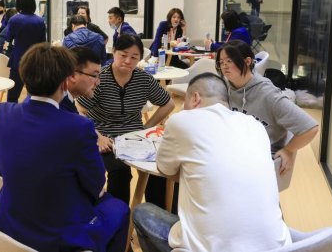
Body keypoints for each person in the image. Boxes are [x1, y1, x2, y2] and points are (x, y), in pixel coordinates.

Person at [0, 44, 129, 252]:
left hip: (6, 223)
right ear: (65, 82)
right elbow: (96, 183)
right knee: (120, 209)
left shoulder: (4, 113)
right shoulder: (79, 127)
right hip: (56, 236)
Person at [133, 73, 291, 252]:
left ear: (195, 98)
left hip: (209, 248)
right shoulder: (255, 125)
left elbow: (165, 169)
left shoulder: (182, 120)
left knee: (142, 212)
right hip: (277, 246)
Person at [77, 34, 175, 205]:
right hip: (106, 137)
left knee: (160, 166)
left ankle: (154, 216)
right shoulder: (101, 78)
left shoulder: (143, 79)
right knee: (120, 171)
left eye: (134, 57)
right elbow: (80, 110)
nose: (128, 61)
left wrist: (146, 127)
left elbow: (169, 104)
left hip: (135, 137)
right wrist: (97, 136)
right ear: (114, 52)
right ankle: (119, 215)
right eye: (123, 55)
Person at [216, 40, 318, 176]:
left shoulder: (268, 94)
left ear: (247, 61)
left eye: (229, 61)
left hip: (262, 161)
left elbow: (310, 128)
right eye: (221, 62)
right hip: (238, 152)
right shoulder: (228, 87)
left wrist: (288, 150)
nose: (224, 66)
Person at [4, 0, 47, 102]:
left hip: (18, 60)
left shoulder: (14, 20)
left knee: (13, 96)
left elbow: (8, 39)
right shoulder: (40, 21)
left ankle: (12, 113)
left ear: (18, 3)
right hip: (35, 61)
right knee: (35, 96)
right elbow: (43, 43)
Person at [60, 46, 102, 114]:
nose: (98, 83)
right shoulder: (62, 109)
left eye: (99, 76)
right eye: (94, 76)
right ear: (72, 75)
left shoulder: (64, 101)